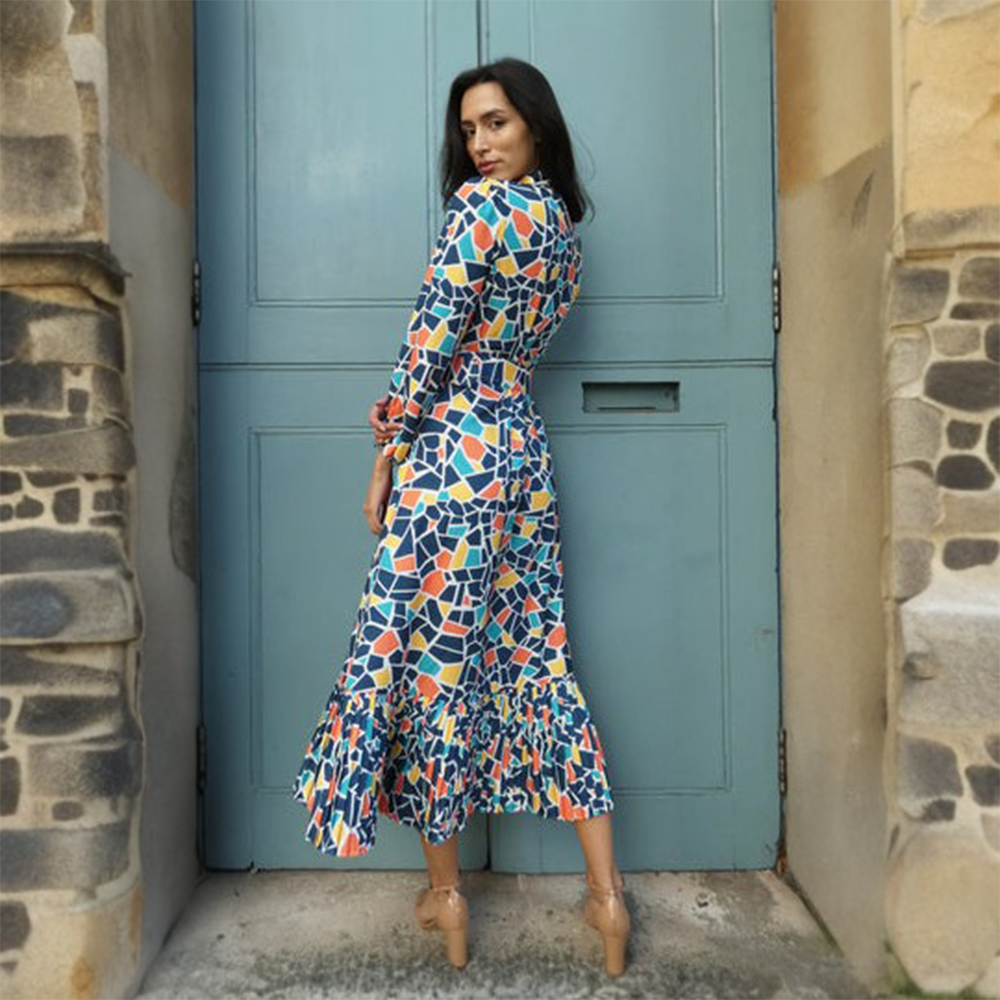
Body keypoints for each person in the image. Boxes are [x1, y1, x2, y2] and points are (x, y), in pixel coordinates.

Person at [291, 57, 631, 977]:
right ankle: (607, 901)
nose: (480, 145)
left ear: (535, 127)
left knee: (428, 666)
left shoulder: (480, 214)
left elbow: (430, 339)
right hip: (521, 454)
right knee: (539, 659)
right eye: (470, 131)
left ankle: (448, 899)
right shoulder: (562, 228)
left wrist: (383, 462)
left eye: (497, 125)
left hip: (452, 458)